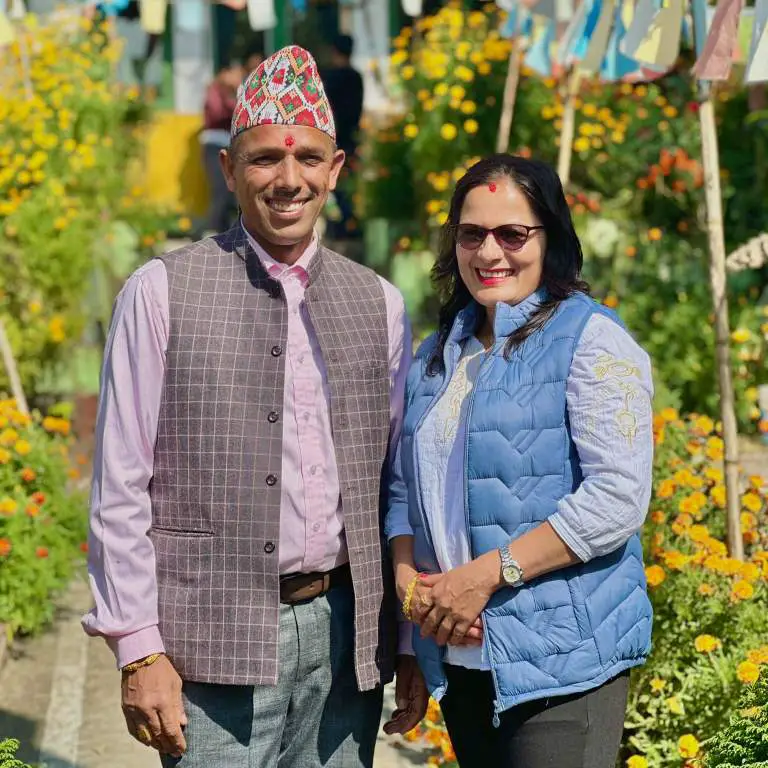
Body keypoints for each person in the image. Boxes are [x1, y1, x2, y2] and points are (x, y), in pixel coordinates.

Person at [82, 45, 428, 768]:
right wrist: (138, 648)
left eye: (308, 159)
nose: (288, 179)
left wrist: (405, 641)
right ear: (230, 168)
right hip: (209, 641)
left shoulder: (380, 304)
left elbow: (395, 487)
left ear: (336, 170)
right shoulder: (162, 291)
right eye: (265, 158)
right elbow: (119, 485)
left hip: (345, 639)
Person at [386, 154, 654, 768]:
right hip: (460, 654)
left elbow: (617, 497)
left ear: (551, 238)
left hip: (562, 660)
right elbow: (404, 488)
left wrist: (481, 578)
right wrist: (410, 586)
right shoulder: (438, 354)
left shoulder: (590, 339)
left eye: (513, 234)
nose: (490, 252)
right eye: (472, 233)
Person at [320, 34, 364, 239]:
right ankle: (349, 225)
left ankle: (339, 226)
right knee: (347, 186)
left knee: (331, 186)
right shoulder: (356, 77)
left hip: (333, 140)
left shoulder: (330, 78)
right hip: (352, 140)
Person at [198, 61, 243, 236]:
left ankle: (226, 231)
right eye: (236, 74)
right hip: (214, 145)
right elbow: (217, 113)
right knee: (220, 190)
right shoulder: (215, 90)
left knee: (232, 191)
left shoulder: (232, 92)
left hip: (229, 144)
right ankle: (210, 230)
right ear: (225, 72)